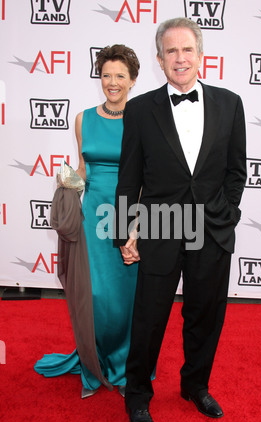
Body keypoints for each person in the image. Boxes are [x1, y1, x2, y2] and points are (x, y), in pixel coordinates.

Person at [114, 18, 247, 422]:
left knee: (205, 314)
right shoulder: (139, 110)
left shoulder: (230, 103)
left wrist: (226, 215)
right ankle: (137, 395)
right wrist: (123, 232)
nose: (180, 58)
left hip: (212, 227)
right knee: (150, 317)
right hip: (160, 226)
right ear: (158, 60)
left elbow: (236, 170)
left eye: (187, 49)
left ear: (201, 54)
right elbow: (128, 178)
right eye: (171, 51)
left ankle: (195, 385)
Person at [34, 44, 141, 399]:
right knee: (94, 295)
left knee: (126, 298)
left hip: (128, 213)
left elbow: (148, 175)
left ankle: (125, 367)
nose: (112, 82)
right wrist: (67, 183)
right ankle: (95, 361)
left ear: (133, 80)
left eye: (120, 76)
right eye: (106, 75)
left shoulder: (142, 120)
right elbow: (83, 169)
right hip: (92, 214)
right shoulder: (83, 118)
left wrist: (139, 226)